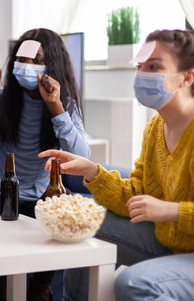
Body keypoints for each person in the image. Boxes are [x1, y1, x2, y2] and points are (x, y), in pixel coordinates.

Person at [39, 29, 194, 301]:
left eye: (154, 66)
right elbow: (133, 196)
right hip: (169, 241)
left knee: (134, 283)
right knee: (82, 225)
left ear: (187, 77)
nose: (142, 74)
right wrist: (92, 170)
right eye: (140, 66)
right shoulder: (155, 128)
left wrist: (171, 211)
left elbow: (162, 209)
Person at [0, 28, 90, 300]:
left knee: (64, 206)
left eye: (37, 60)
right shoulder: (3, 100)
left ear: (53, 65)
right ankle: (1, 292)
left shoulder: (65, 103)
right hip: (1, 200)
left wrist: (56, 108)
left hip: (40, 204)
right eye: (22, 60)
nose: (27, 67)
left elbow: (82, 155)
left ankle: (39, 290)